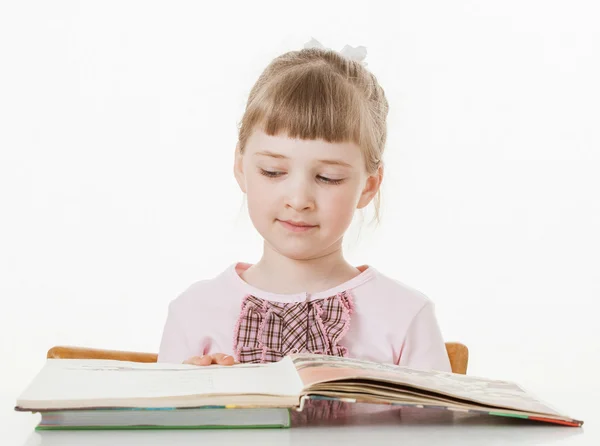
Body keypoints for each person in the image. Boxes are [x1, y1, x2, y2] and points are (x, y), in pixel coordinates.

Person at [157, 39, 452, 373]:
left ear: (369, 186)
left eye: (328, 177)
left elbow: (437, 425)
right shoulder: (194, 312)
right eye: (273, 171)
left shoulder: (404, 316)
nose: (298, 200)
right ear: (241, 167)